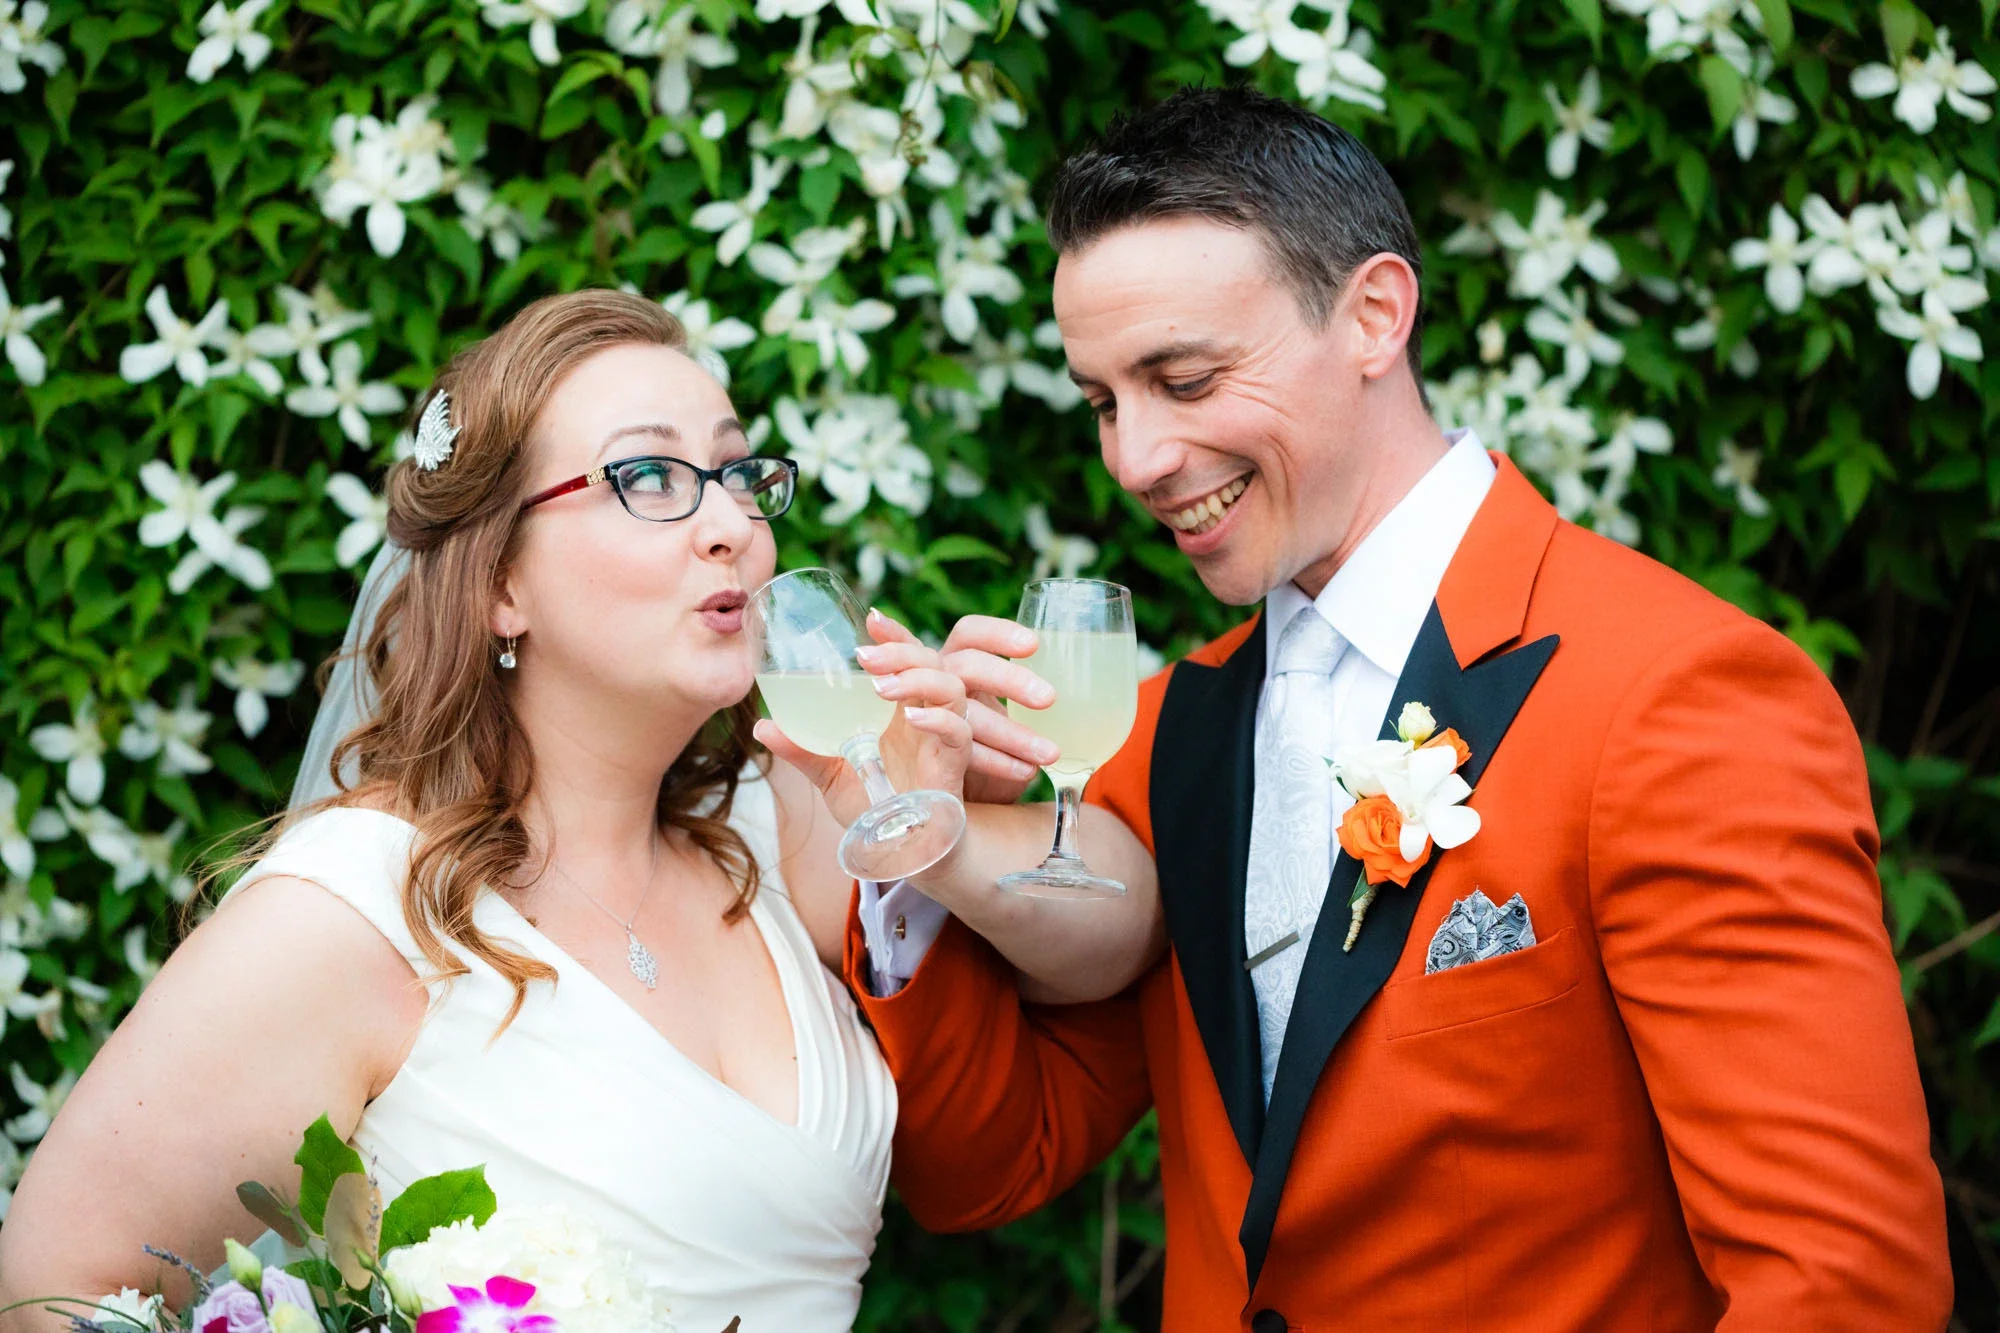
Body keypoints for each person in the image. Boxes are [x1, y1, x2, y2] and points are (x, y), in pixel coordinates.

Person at [813, 88, 1954, 1330]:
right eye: (1103, 401)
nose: (1135, 459)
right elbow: (992, 1164)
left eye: (1182, 379)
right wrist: (919, 848)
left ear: (1372, 315)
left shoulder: (1675, 696)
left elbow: (1840, 1286)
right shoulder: (1164, 734)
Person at [0, 290, 1157, 1331]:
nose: (733, 526)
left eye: (739, 475)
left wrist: (931, 828)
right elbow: (45, 1295)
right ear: (501, 582)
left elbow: (1120, 924)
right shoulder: (350, 910)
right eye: (648, 477)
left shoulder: (768, 825)